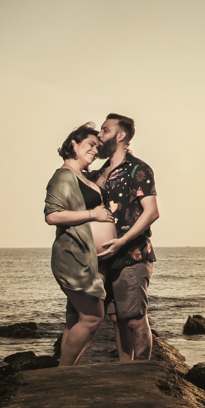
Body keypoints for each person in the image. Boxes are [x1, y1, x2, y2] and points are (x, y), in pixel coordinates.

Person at [44, 123, 116, 366]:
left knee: (74, 319)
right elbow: (52, 216)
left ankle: (67, 370)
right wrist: (93, 215)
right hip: (73, 257)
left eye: (98, 147)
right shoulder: (63, 176)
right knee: (93, 317)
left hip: (90, 259)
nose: (95, 150)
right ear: (73, 144)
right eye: (91, 145)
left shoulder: (82, 177)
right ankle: (65, 369)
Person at [92, 113, 159, 362]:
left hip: (132, 255)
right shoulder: (100, 172)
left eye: (105, 130)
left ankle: (142, 376)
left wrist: (122, 241)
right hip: (104, 259)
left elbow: (152, 212)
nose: (100, 135)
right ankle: (125, 369)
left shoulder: (138, 169)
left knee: (134, 319)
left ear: (121, 136)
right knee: (116, 318)